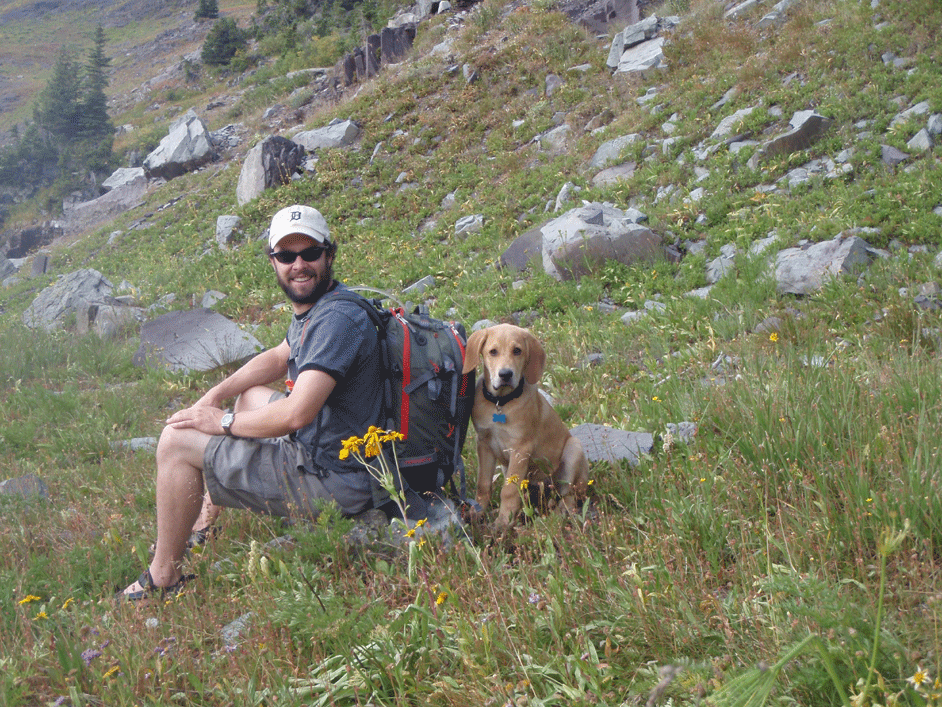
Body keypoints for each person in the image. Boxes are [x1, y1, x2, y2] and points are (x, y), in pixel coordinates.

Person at [119, 204, 384, 600]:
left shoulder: (336, 321)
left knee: (175, 441)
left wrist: (221, 421)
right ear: (273, 261)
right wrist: (218, 393)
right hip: (341, 449)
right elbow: (280, 355)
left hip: (339, 478)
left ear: (329, 254)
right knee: (252, 395)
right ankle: (204, 520)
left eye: (310, 253)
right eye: (286, 255)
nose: (299, 265)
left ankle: (163, 578)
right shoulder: (323, 306)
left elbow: (298, 413)